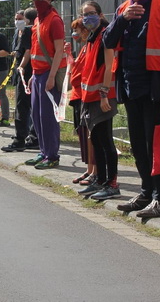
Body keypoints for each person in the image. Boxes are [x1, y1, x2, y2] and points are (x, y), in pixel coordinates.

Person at [104, 0, 160, 218]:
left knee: (153, 144)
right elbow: (108, 41)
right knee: (138, 144)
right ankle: (146, 192)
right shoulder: (123, 9)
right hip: (130, 87)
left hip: (155, 88)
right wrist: (121, 20)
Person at [74, 1, 119, 201]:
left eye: (91, 13)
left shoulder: (105, 35)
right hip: (90, 97)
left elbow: (109, 67)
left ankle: (112, 183)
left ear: (100, 15)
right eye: (84, 14)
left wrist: (103, 94)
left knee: (105, 140)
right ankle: (100, 179)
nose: (87, 18)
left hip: (102, 97)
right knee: (97, 141)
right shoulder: (92, 37)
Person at [24, 0, 67, 170]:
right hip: (37, 74)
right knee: (37, 115)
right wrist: (33, 74)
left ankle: (52, 155)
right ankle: (43, 151)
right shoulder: (38, 20)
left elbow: (58, 51)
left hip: (48, 74)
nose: (36, 1)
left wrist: (50, 77)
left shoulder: (54, 20)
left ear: (49, 0)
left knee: (48, 117)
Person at [2, 9, 39, 152]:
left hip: (26, 74)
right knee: (30, 106)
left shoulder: (28, 32)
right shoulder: (25, 33)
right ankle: (33, 137)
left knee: (21, 107)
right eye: (16, 18)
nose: (18, 21)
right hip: (29, 73)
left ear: (27, 19)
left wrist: (21, 66)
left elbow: (27, 51)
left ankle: (20, 140)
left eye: (20, 18)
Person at [67, 18, 97, 191]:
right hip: (78, 95)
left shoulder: (91, 47)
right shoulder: (84, 48)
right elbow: (75, 69)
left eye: (78, 30)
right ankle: (89, 168)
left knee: (90, 135)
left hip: (85, 95)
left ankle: (95, 170)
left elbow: (82, 72)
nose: (76, 34)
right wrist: (69, 56)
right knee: (83, 133)